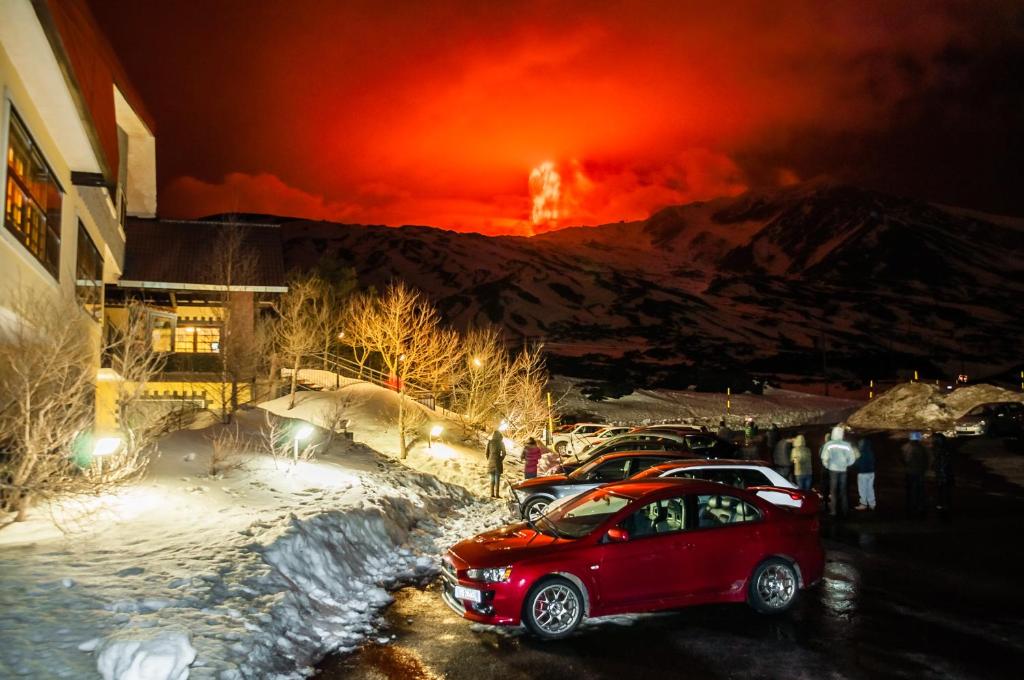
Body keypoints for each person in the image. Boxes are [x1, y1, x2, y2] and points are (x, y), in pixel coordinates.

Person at [820, 425, 860, 518]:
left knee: (833, 491)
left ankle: (833, 511)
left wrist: (827, 465)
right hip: (843, 470)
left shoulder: (829, 444)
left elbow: (824, 458)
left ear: (833, 433)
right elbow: (852, 458)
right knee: (843, 491)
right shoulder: (846, 445)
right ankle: (845, 511)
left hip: (833, 470)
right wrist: (847, 464)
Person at [901, 431, 929, 517]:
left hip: (911, 472)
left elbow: (904, 460)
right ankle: (917, 508)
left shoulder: (906, 447)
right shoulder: (922, 448)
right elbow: (926, 460)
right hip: (918, 472)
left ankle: (911, 508)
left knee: (911, 491)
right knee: (918, 491)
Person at [931, 432, 955, 519]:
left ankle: (943, 508)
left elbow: (943, 465)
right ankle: (944, 507)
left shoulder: (941, 452)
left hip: (943, 476)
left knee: (943, 492)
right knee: (943, 492)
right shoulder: (942, 451)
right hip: (943, 476)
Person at [854, 436, 876, 511]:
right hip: (871, 473)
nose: (859, 444)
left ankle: (863, 504)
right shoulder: (871, 452)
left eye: (860, 443)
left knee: (862, 489)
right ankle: (872, 504)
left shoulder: (861, 453)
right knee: (870, 489)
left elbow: (857, 464)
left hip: (863, 473)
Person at [485, 430, 507, 498]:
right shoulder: (501, 443)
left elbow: (486, 453)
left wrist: (489, 459)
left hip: (490, 462)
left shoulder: (490, 442)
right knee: (497, 479)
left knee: (492, 478)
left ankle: (492, 494)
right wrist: (500, 459)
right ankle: (497, 494)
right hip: (498, 462)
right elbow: (504, 453)